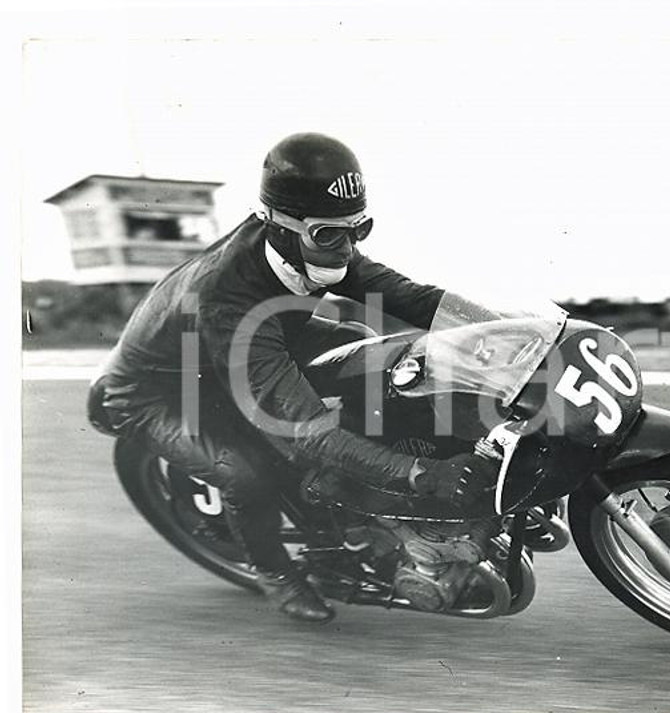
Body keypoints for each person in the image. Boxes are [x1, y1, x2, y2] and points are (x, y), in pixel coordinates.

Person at [87, 132, 496, 624]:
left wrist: (511, 332)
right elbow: (306, 429)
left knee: (366, 346)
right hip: (159, 392)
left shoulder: (311, 240)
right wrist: (420, 475)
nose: (345, 249)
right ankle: (275, 572)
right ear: (277, 226)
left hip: (243, 344)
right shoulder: (225, 296)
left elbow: (412, 297)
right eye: (329, 236)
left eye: (358, 230)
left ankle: (370, 503)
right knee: (249, 471)